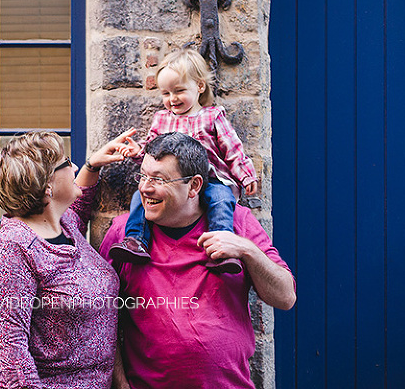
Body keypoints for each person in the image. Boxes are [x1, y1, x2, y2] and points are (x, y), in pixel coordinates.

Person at [100, 132, 296, 389]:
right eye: (144, 176)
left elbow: (285, 297)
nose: (145, 188)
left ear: (194, 186)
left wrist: (247, 250)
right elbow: (101, 317)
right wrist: (120, 383)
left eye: (159, 179)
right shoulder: (124, 235)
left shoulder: (238, 223)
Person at [0, 129, 136, 389]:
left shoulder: (64, 225)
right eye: (66, 163)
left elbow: (79, 205)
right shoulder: (13, 250)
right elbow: (12, 353)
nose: (74, 166)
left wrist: (92, 166)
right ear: (47, 185)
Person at [109, 48, 258, 274]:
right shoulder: (162, 119)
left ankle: (221, 248)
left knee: (221, 199)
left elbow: (233, 149)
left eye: (179, 91)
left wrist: (245, 174)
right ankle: (136, 240)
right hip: (171, 183)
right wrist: (138, 150)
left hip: (210, 179)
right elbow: (153, 151)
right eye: (166, 94)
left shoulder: (212, 116)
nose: (172, 99)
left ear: (199, 87)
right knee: (139, 197)